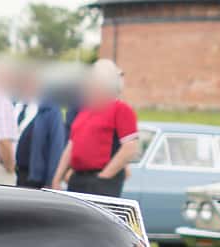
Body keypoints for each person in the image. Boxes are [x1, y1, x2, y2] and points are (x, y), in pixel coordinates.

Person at [52, 60, 140, 196]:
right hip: (79, 178)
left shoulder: (120, 109)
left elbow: (130, 146)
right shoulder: (85, 111)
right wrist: (57, 178)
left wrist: (104, 176)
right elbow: (72, 145)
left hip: (100, 181)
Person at [15, 65, 75, 189]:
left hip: (34, 178)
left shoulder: (51, 109)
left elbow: (56, 146)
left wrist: (51, 179)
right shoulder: (15, 105)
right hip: (10, 173)